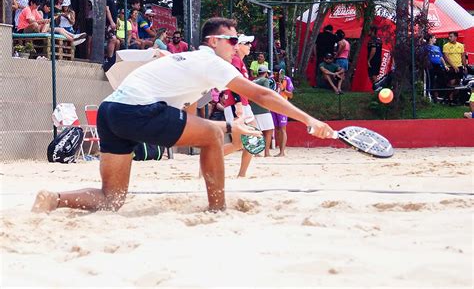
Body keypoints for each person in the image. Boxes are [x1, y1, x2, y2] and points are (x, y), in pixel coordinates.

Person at [32, 17, 334, 214]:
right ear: (213, 41)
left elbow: (187, 122)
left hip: (110, 111)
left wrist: (228, 126)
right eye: (232, 40)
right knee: (214, 135)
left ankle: (53, 198)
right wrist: (310, 120)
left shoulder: (190, 62)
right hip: (136, 110)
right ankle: (218, 210)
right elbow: (263, 95)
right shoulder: (210, 62)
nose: (237, 46)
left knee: (112, 199)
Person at [223, 34, 257, 177]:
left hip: (243, 104)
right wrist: (238, 103)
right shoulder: (235, 60)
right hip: (236, 104)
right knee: (243, 142)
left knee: (251, 141)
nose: (250, 46)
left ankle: (242, 174)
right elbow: (233, 82)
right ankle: (207, 159)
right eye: (247, 43)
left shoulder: (241, 62)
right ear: (239, 46)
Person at [250, 65, 274, 157]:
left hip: (253, 108)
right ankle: (267, 152)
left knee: (256, 131)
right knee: (269, 130)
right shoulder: (265, 80)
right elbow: (266, 93)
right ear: (266, 73)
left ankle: (256, 152)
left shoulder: (252, 81)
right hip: (263, 108)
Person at [270, 65, 294, 157]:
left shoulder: (286, 79)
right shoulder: (271, 79)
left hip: (283, 106)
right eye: (274, 73)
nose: (275, 75)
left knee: (283, 129)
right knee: (277, 129)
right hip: (273, 105)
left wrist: (283, 89)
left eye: (277, 73)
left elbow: (291, 95)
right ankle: (280, 150)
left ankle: (282, 152)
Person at [443, 32, 467, 105]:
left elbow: (463, 56)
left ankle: (455, 99)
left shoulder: (461, 45)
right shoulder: (446, 46)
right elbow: (446, 57)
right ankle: (449, 99)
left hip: (459, 66)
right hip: (451, 67)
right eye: (449, 36)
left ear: (456, 37)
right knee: (451, 83)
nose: (449, 38)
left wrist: (465, 66)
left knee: (458, 82)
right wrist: (454, 66)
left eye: (451, 36)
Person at [424, 34, 448, 103]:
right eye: (434, 38)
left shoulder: (437, 47)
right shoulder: (426, 47)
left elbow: (441, 57)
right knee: (430, 79)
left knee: (442, 78)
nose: (435, 39)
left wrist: (445, 65)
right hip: (430, 65)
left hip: (438, 65)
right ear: (430, 39)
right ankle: (429, 95)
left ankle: (439, 94)